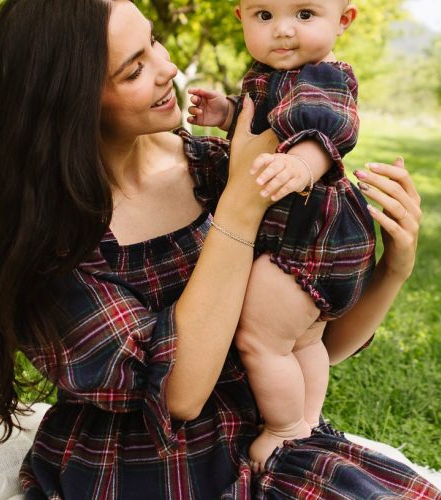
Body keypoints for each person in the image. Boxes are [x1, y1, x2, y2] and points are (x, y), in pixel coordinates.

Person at [0, 1, 441, 499]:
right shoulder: (53, 242)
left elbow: (310, 341)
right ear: (67, 100)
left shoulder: (212, 165)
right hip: (149, 469)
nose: (168, 68)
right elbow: (180, 395)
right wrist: (240, 206)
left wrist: (395, 266)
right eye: (135, 68)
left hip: (273, 439)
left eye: (154, 41)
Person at [189, 0, 371, 471]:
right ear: (241, 18)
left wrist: (300, 165)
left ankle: (285, 429)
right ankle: (309, 422)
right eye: (263, 15)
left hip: (305, 239)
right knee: (304, 341)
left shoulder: (322, 76)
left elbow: (323, 134)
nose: (283, 30)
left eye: (305, 14)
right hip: (326, 242)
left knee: (261, 339)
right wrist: (228, 113)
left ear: (344, 21)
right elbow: (267, 122)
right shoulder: (273, 75)